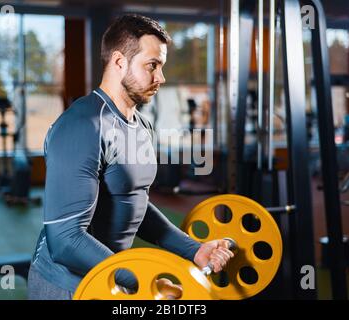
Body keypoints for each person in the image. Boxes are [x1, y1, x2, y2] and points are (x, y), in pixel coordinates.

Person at [27, 14, 234, 300]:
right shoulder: (82, 126)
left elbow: (135, 203)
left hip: (112, 277)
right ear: (119, 62)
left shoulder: (141, 125)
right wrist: (142, 282)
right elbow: (65, 241)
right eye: (153, 66)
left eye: (161, 66)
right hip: (68, 287)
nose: (161, 77)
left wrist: (193, 249)